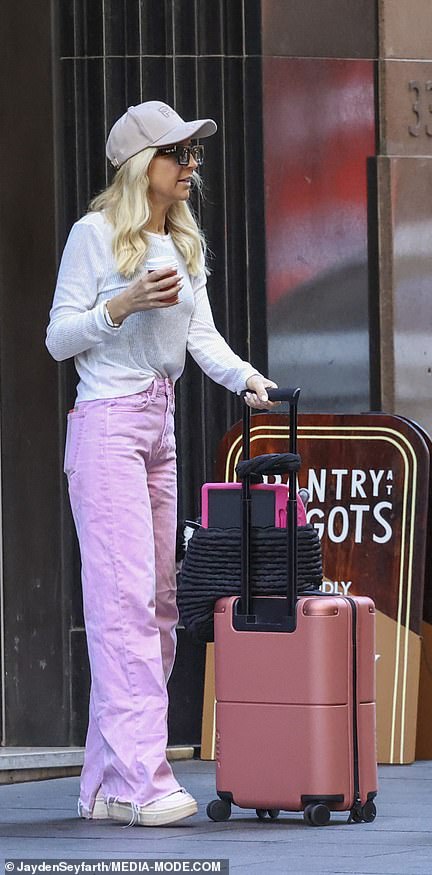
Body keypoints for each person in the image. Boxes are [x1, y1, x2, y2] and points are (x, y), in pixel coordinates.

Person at [46, 101, 278, 826]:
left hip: (158, 426)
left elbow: (202, 338)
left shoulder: (179, 242)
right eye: (180, 153)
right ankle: (144, 781)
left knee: (159, 609)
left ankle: (105, 785)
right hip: (108, 426)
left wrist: (247, 378)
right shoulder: (94, 236)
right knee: (122, 610)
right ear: (143, 165)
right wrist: (123, 303)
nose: (192, 166)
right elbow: (58, 338)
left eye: (194, 154)